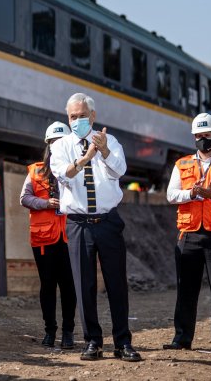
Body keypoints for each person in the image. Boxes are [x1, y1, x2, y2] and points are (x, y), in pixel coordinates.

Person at [49, 93, 141, 362]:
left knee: (116, 284)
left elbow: (119, 170)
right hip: (78, 224)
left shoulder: (110, 141)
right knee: (84, 285)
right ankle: (92, 341)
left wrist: (103, 151)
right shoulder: (61, 145)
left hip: (108, 222)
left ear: (92, 116)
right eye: (72, 117)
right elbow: (64, 173)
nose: (77, 120)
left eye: (81, 115)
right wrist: (87, 156)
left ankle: (123, 342)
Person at [163, 112, 211, 352]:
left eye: (206, 135)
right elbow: (171, 194)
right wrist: (191, 194)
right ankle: (182, 338)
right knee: (186, 289)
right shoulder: (183, 164)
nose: (202, 140)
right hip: (189, 234)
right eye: (198, 136)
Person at [20, 121, 76, 349]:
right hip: (44, 239)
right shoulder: (35, 171)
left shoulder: (77, 169)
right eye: (53, 142)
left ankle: (68, 332)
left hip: (70, 237)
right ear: (48, 145)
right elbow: (24, 198)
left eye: (61, 141)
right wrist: (45, 203)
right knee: (47, 285)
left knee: (69, 286)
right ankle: (50, 331)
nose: (57, 145)